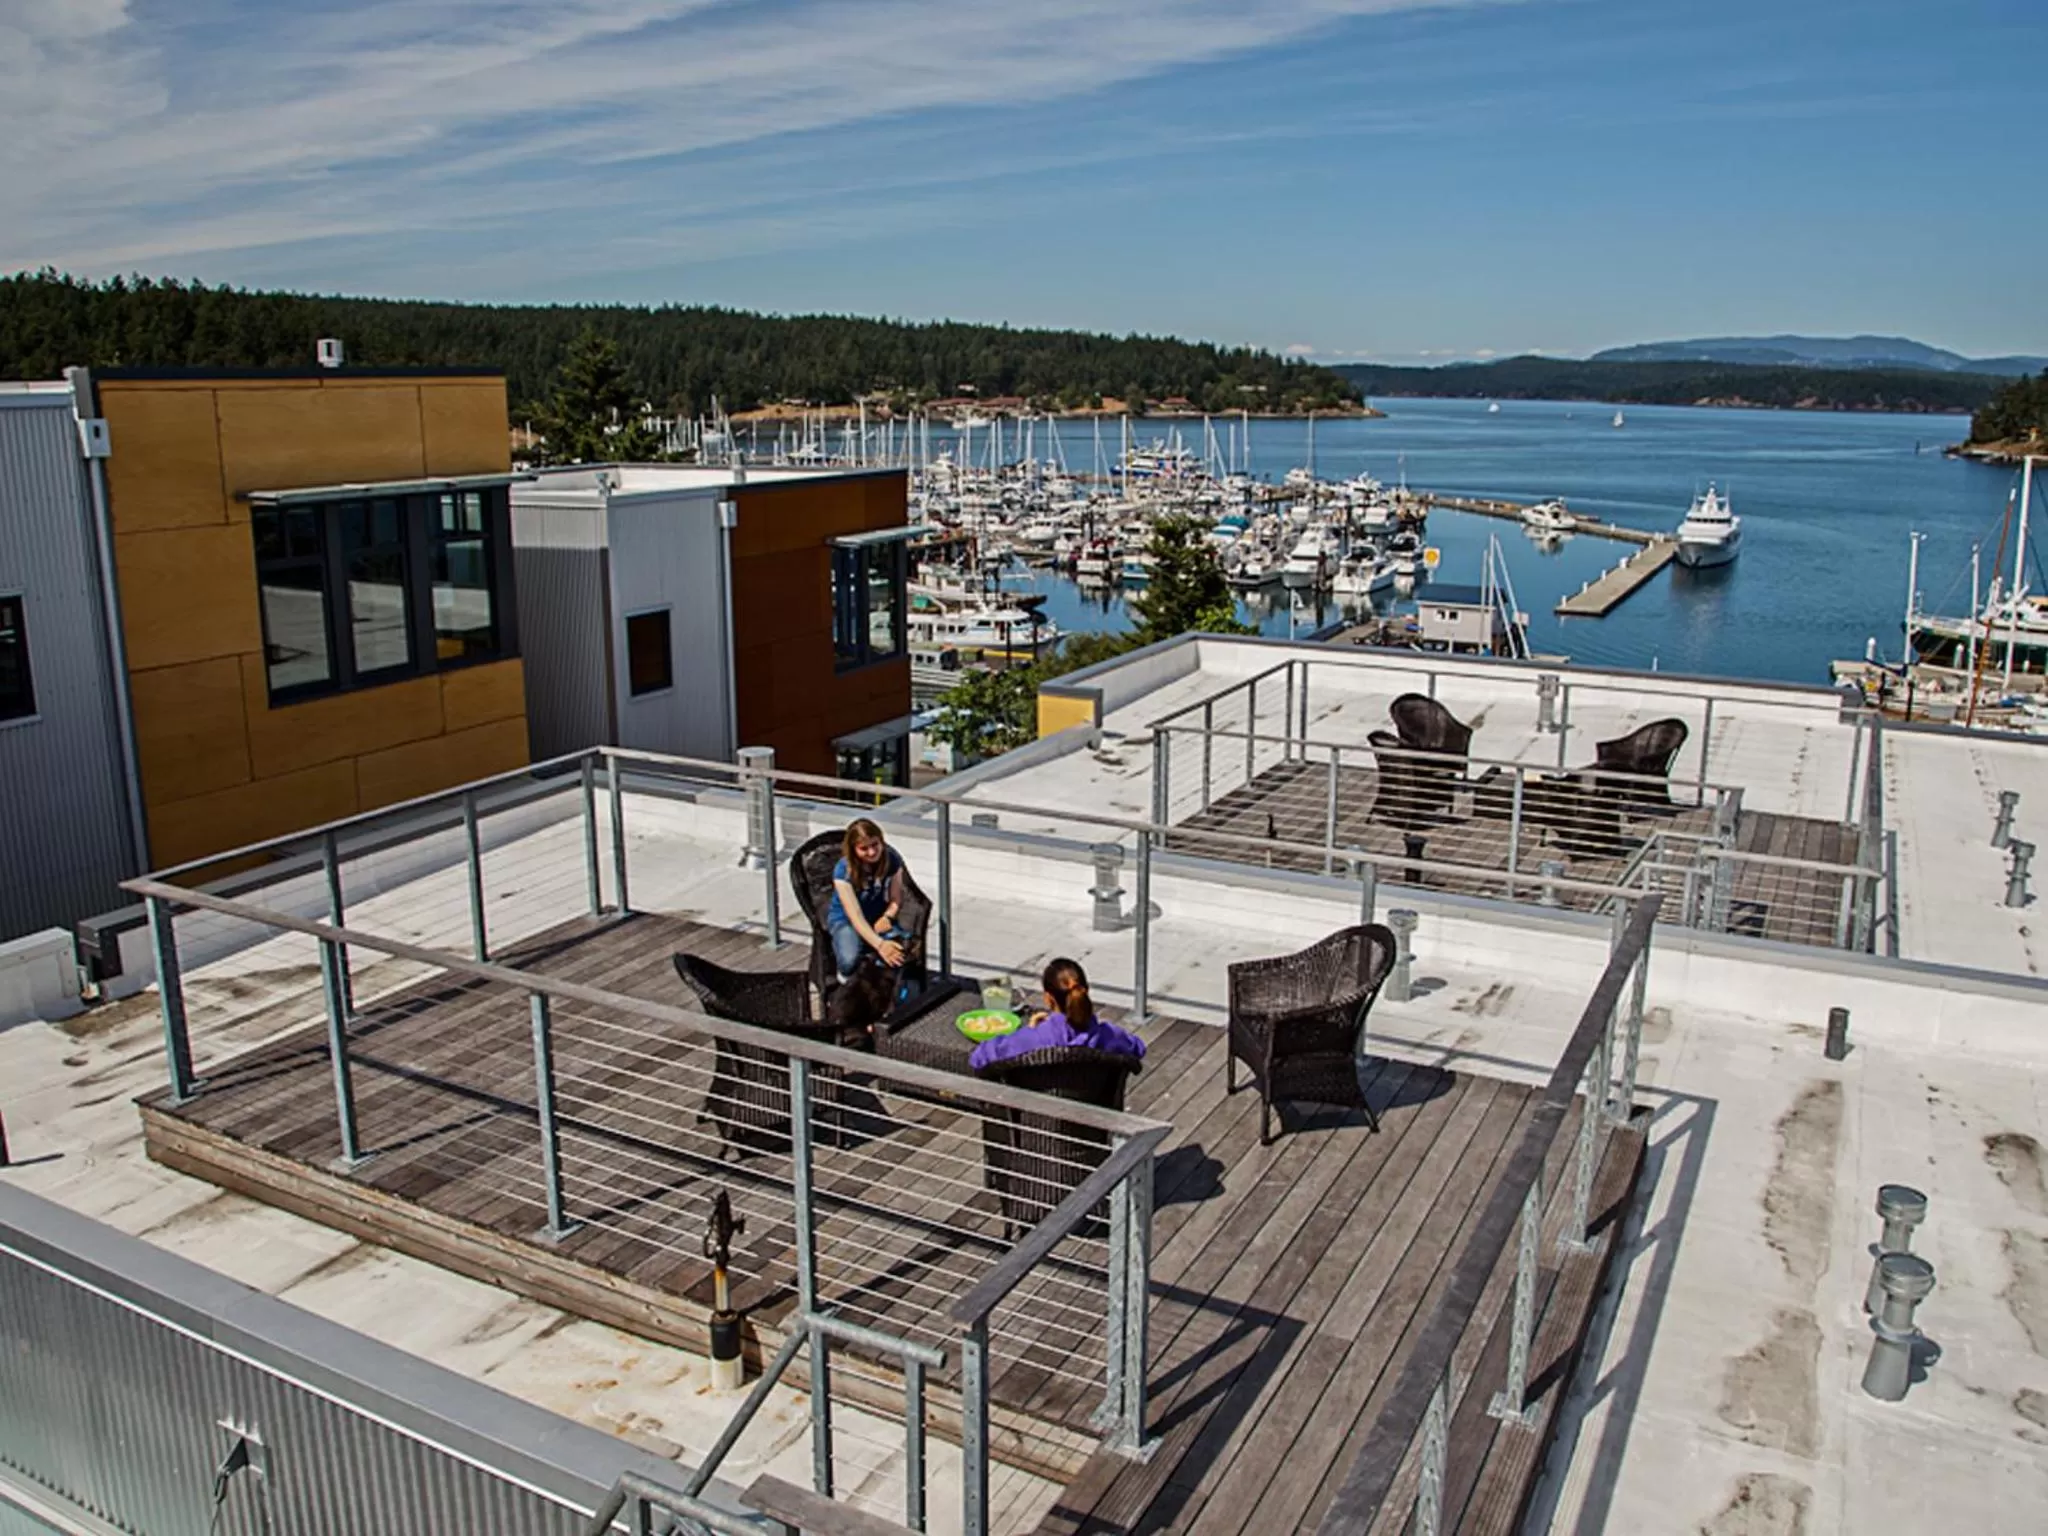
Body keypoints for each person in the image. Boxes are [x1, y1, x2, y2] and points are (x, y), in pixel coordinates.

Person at [970, 957, 1146, 1071]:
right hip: (1091, 1120)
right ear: (1086, 991)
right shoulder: (1107, 1035)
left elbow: (979, 1058)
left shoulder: (1035, 1039)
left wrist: (1030, 1031)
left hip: (1037, 1120)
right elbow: (1137, 1048)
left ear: (1048, 998)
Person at [826, 819, 910, 981]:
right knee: (849, 960)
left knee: (902, 947)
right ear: (853, 849)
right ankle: (843, 982)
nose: (872, 852)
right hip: (846, 920)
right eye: (864, 848)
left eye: (875, 845)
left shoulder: (891, 859)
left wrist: (888, 916)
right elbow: (855, 916)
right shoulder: (843, 870)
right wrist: (880, 945)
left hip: (876, 915)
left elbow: (896, 898)